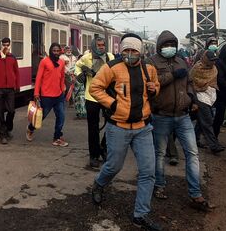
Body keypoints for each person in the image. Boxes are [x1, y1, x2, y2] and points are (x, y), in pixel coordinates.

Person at [89, 33, 162, 231]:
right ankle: (99, 184)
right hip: (118, 127)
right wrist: (112, 104)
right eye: (126, 50)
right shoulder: (111, 68)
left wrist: (154, 89)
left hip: (143, 128)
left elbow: (155, 88)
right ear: (121, 51)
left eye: (133, 51)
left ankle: (141, 214)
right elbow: (95, 88)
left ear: (140, 52)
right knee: (113, 166)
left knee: (148, 172)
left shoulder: (149, 69)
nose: (130, 54)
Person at [148, 30, 212, 211]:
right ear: (160, 46)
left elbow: (189, 82)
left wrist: (192, 99)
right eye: (166, 45)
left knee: (192, 153)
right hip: (161, 115)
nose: (169, 48)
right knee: (159, 153)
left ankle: (195, 193)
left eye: (172, 45)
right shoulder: (151, 63)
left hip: (183, 116)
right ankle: (159, 186)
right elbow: (151, 84)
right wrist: (172, 75)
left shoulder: (181, 61)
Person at [74, 37, 115, 168]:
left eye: (103, 45)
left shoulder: (110, 57)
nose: (101, 47)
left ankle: (103, 147)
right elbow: (77, 66)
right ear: (93, 46)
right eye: (99, 45)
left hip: (107, 96)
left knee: (112, 124)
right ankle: (94, 156)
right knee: (93, 128)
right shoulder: (87, 58)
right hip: (91, 96)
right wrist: (80, 74)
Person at [26, 43, 68, 146]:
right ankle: (30, 128)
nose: (56, 53)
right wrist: (36, 93)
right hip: (46, 95)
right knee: (41, 116)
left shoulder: (62, 62)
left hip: (59, 95)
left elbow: (62, 77)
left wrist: (62, 88)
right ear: (50, 51)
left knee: (61, 117)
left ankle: (57, 137)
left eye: (58, 51)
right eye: (54, 51)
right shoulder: (44, 62)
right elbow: (39, 78)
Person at [190, 50, 225, 154]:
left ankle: (195, 140)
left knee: (202, 122)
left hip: (210, 98)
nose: (213, 62)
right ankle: (214, 145)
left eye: (215, 60)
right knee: (208, 121)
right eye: (211, 60)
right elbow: (192, 82)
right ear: (206, 59)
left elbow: (213, 81)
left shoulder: (213, 68)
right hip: (200, 98)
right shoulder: (197, 68)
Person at [0, 37, 20, 144]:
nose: (6, 47)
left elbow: (16, 72)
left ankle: (7, 128)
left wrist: (17, 86)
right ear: (1, 45)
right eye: (4, 45)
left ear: (10, 45)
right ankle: (2, 135)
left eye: (7, 45)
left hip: (10, 88)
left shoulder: (12, 58)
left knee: (11, 111)